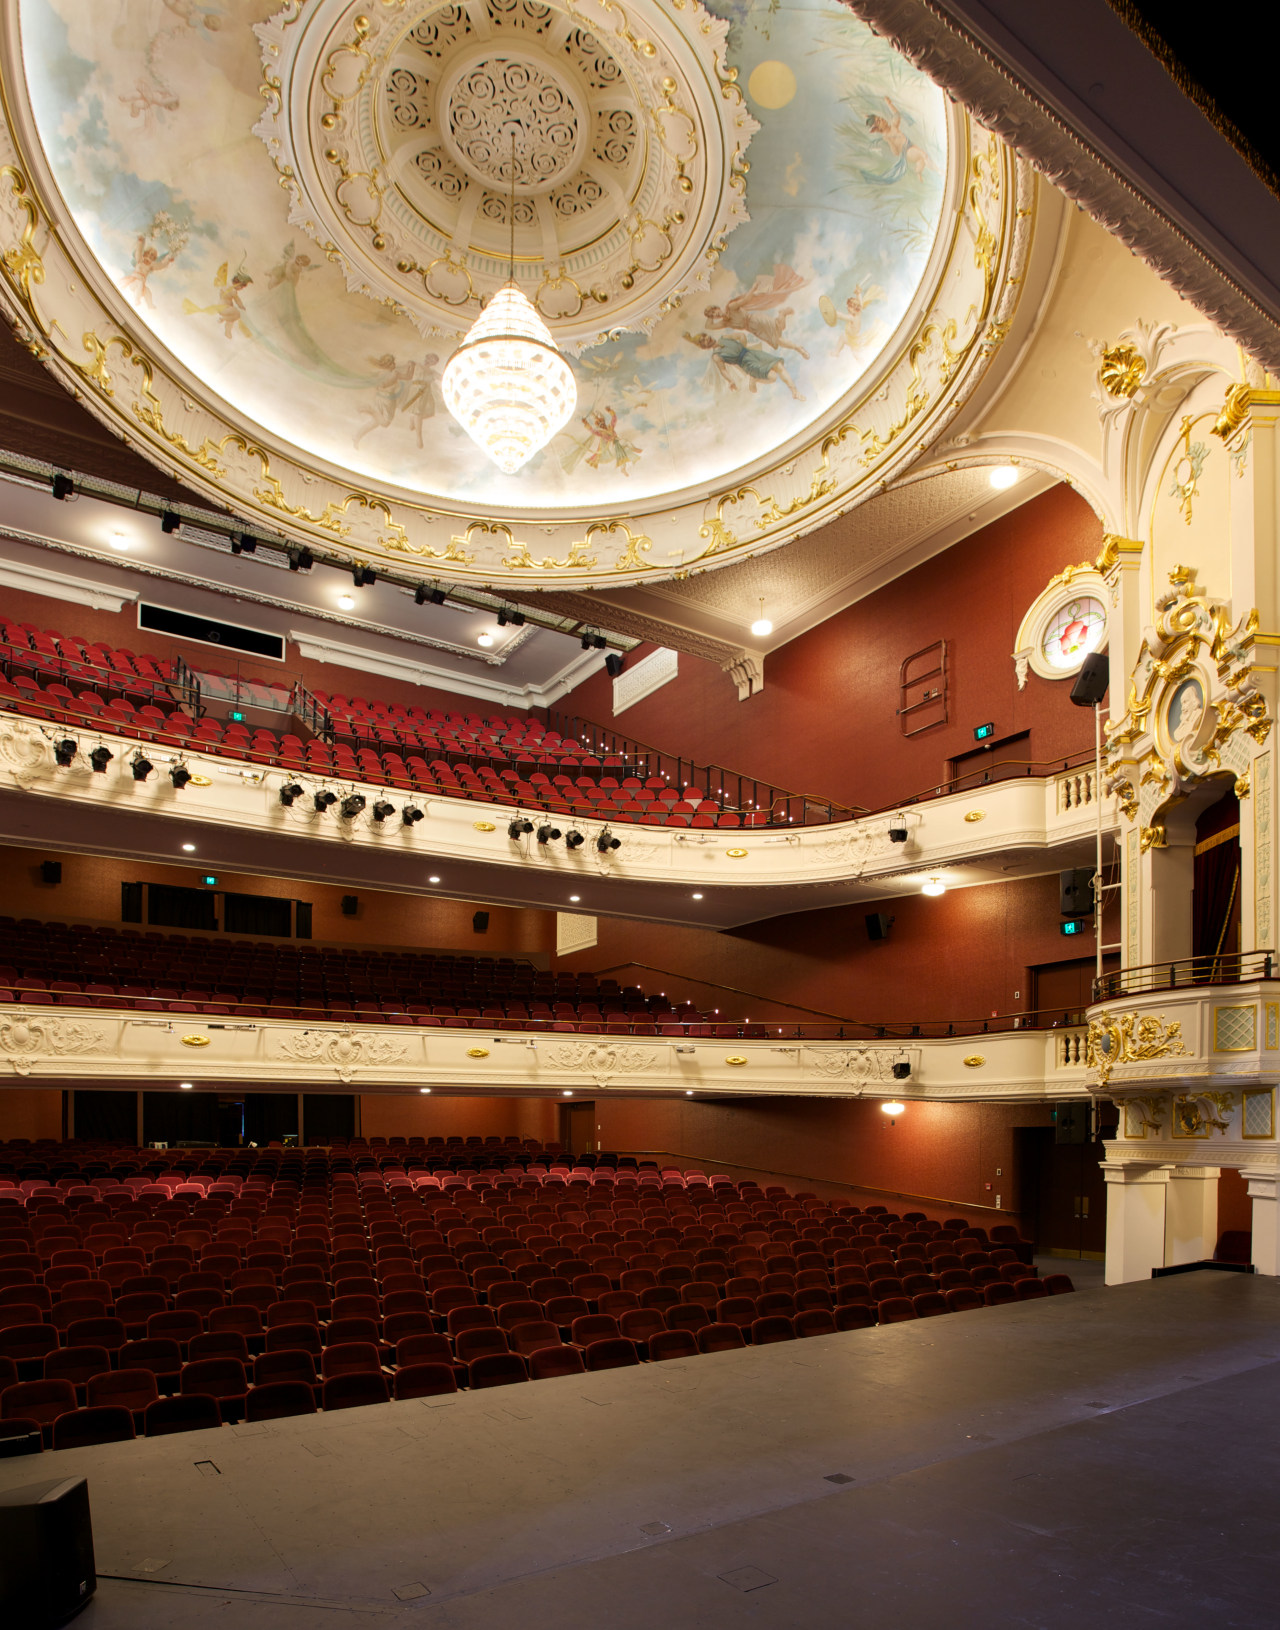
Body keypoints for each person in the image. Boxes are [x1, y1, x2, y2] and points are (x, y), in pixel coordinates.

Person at [684, 331, 803, 401]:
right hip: (747, 364)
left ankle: (794, 392)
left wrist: (742, 345)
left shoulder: (724, 338)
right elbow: (723, 370)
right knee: (773, 377)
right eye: (703, 340)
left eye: (704, 336)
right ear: (703, 346)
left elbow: (741, 335)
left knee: (778, 365)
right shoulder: (716, 356)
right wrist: (731, 381)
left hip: (752, 353)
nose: (706, 339)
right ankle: (755, 378)